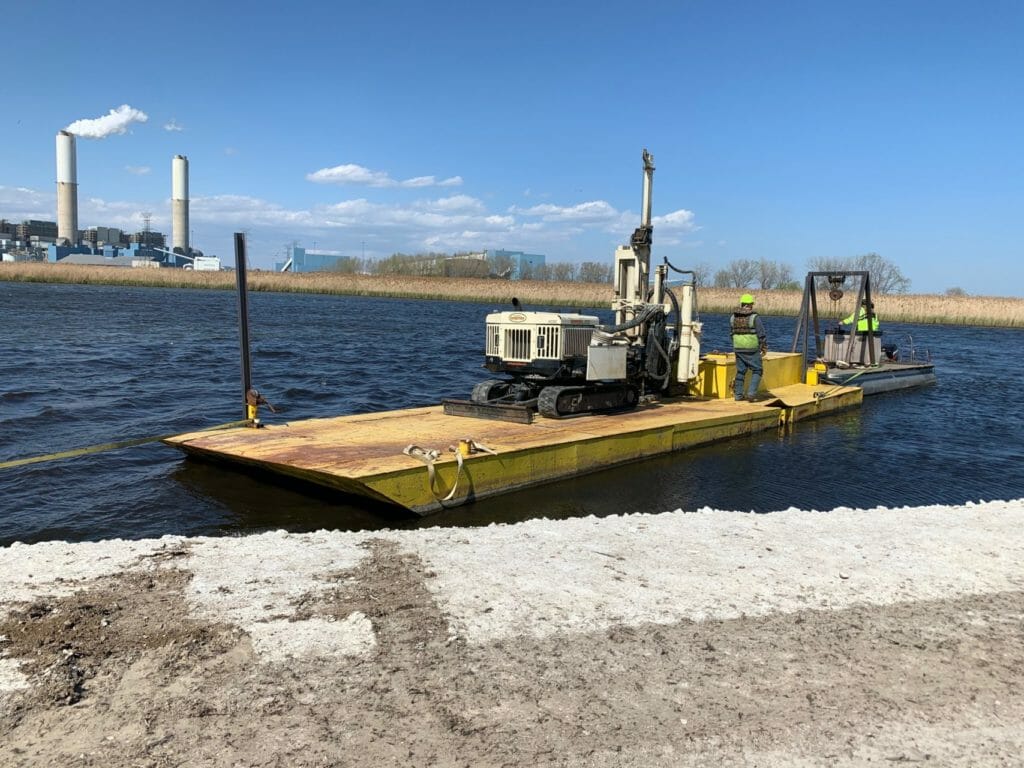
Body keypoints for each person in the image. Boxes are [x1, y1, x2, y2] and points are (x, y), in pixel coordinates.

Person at [731, 293, 767, 401]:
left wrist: (736, 345)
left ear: (742, 304)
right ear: (750, 305)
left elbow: (731, 333)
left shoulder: (733, 317)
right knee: (757, 370)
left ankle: (738, 395)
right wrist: (763, 347)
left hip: (738, 347)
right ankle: (751, 394)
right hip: (751, 348)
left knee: (741, 371)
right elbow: (761, 334)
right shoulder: (754, 317)